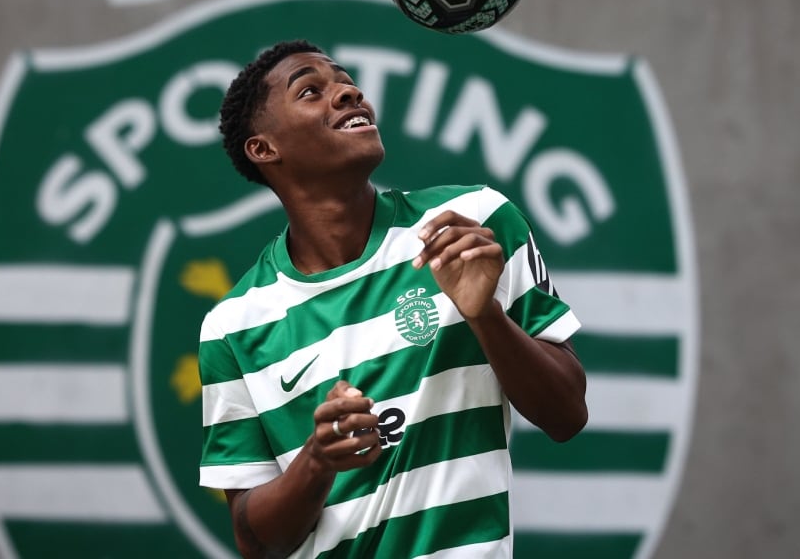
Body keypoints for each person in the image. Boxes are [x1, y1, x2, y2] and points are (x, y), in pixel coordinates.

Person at [198, 39, 588, 558]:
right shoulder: (232, 326)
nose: (348, 93)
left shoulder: (474, 222)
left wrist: (486, 318)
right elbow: (253, 541)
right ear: (264, 148)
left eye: (346, 81)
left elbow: (567, 415)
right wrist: (317, 461)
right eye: (311, 90)